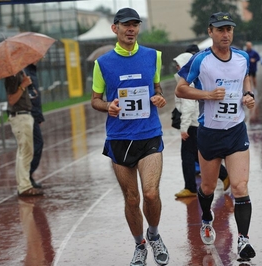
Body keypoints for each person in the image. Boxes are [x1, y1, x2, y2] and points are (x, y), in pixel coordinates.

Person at [90, 7, 169, 266]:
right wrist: (108, 106)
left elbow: (157, 89)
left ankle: (154, 235)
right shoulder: (102, 63)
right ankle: (139, 244)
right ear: (116, 29)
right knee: (132, 198)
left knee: (151, 194)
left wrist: (159, 97)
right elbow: (95, 100)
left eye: (135, 24)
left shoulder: (153, 56)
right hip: (119, 139)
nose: (131, 29)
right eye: (126, 25)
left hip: (149, 135)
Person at [175, 12, 256, 261]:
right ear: (210, 32)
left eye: (229, 29)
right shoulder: (201, 60)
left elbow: (246, 78)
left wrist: (249, 95)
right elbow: (180, 88)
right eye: (220, 30)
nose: (226, 34)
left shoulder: (242, 57)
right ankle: (206, 217)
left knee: (240, 186)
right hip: (209, 133)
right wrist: (208, 95)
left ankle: (243, 240)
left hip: (235, 131)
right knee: (208, 186)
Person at [173, 52, 230, 198]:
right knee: (198, 156)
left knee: (188, 157)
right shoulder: (187, 79)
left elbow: (188, 107)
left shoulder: (187, 82)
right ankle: (223, 175)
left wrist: (184, 128)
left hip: (192, 126)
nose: (177, 67)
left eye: (179, 64)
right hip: (195, 124)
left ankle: (190, 187)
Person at [5, 71, 44, 196]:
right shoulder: (12, 75)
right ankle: (24, 187)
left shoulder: (19, 73)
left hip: (25, 116)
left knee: (24, 152)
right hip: (20, 117)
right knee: (26, 153)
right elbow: (11, 99)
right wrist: (23, 85)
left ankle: (23, 185)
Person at [24, 62, 45, 189]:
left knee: (35, 145)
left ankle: (28, 176)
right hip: (27, 114)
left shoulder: (32, 71)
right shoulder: (24, 71)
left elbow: (34, 95)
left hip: (33, 114)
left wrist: (39, 116)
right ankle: (27, 175)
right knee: (35, 145)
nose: (40, 59)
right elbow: (27, 95)